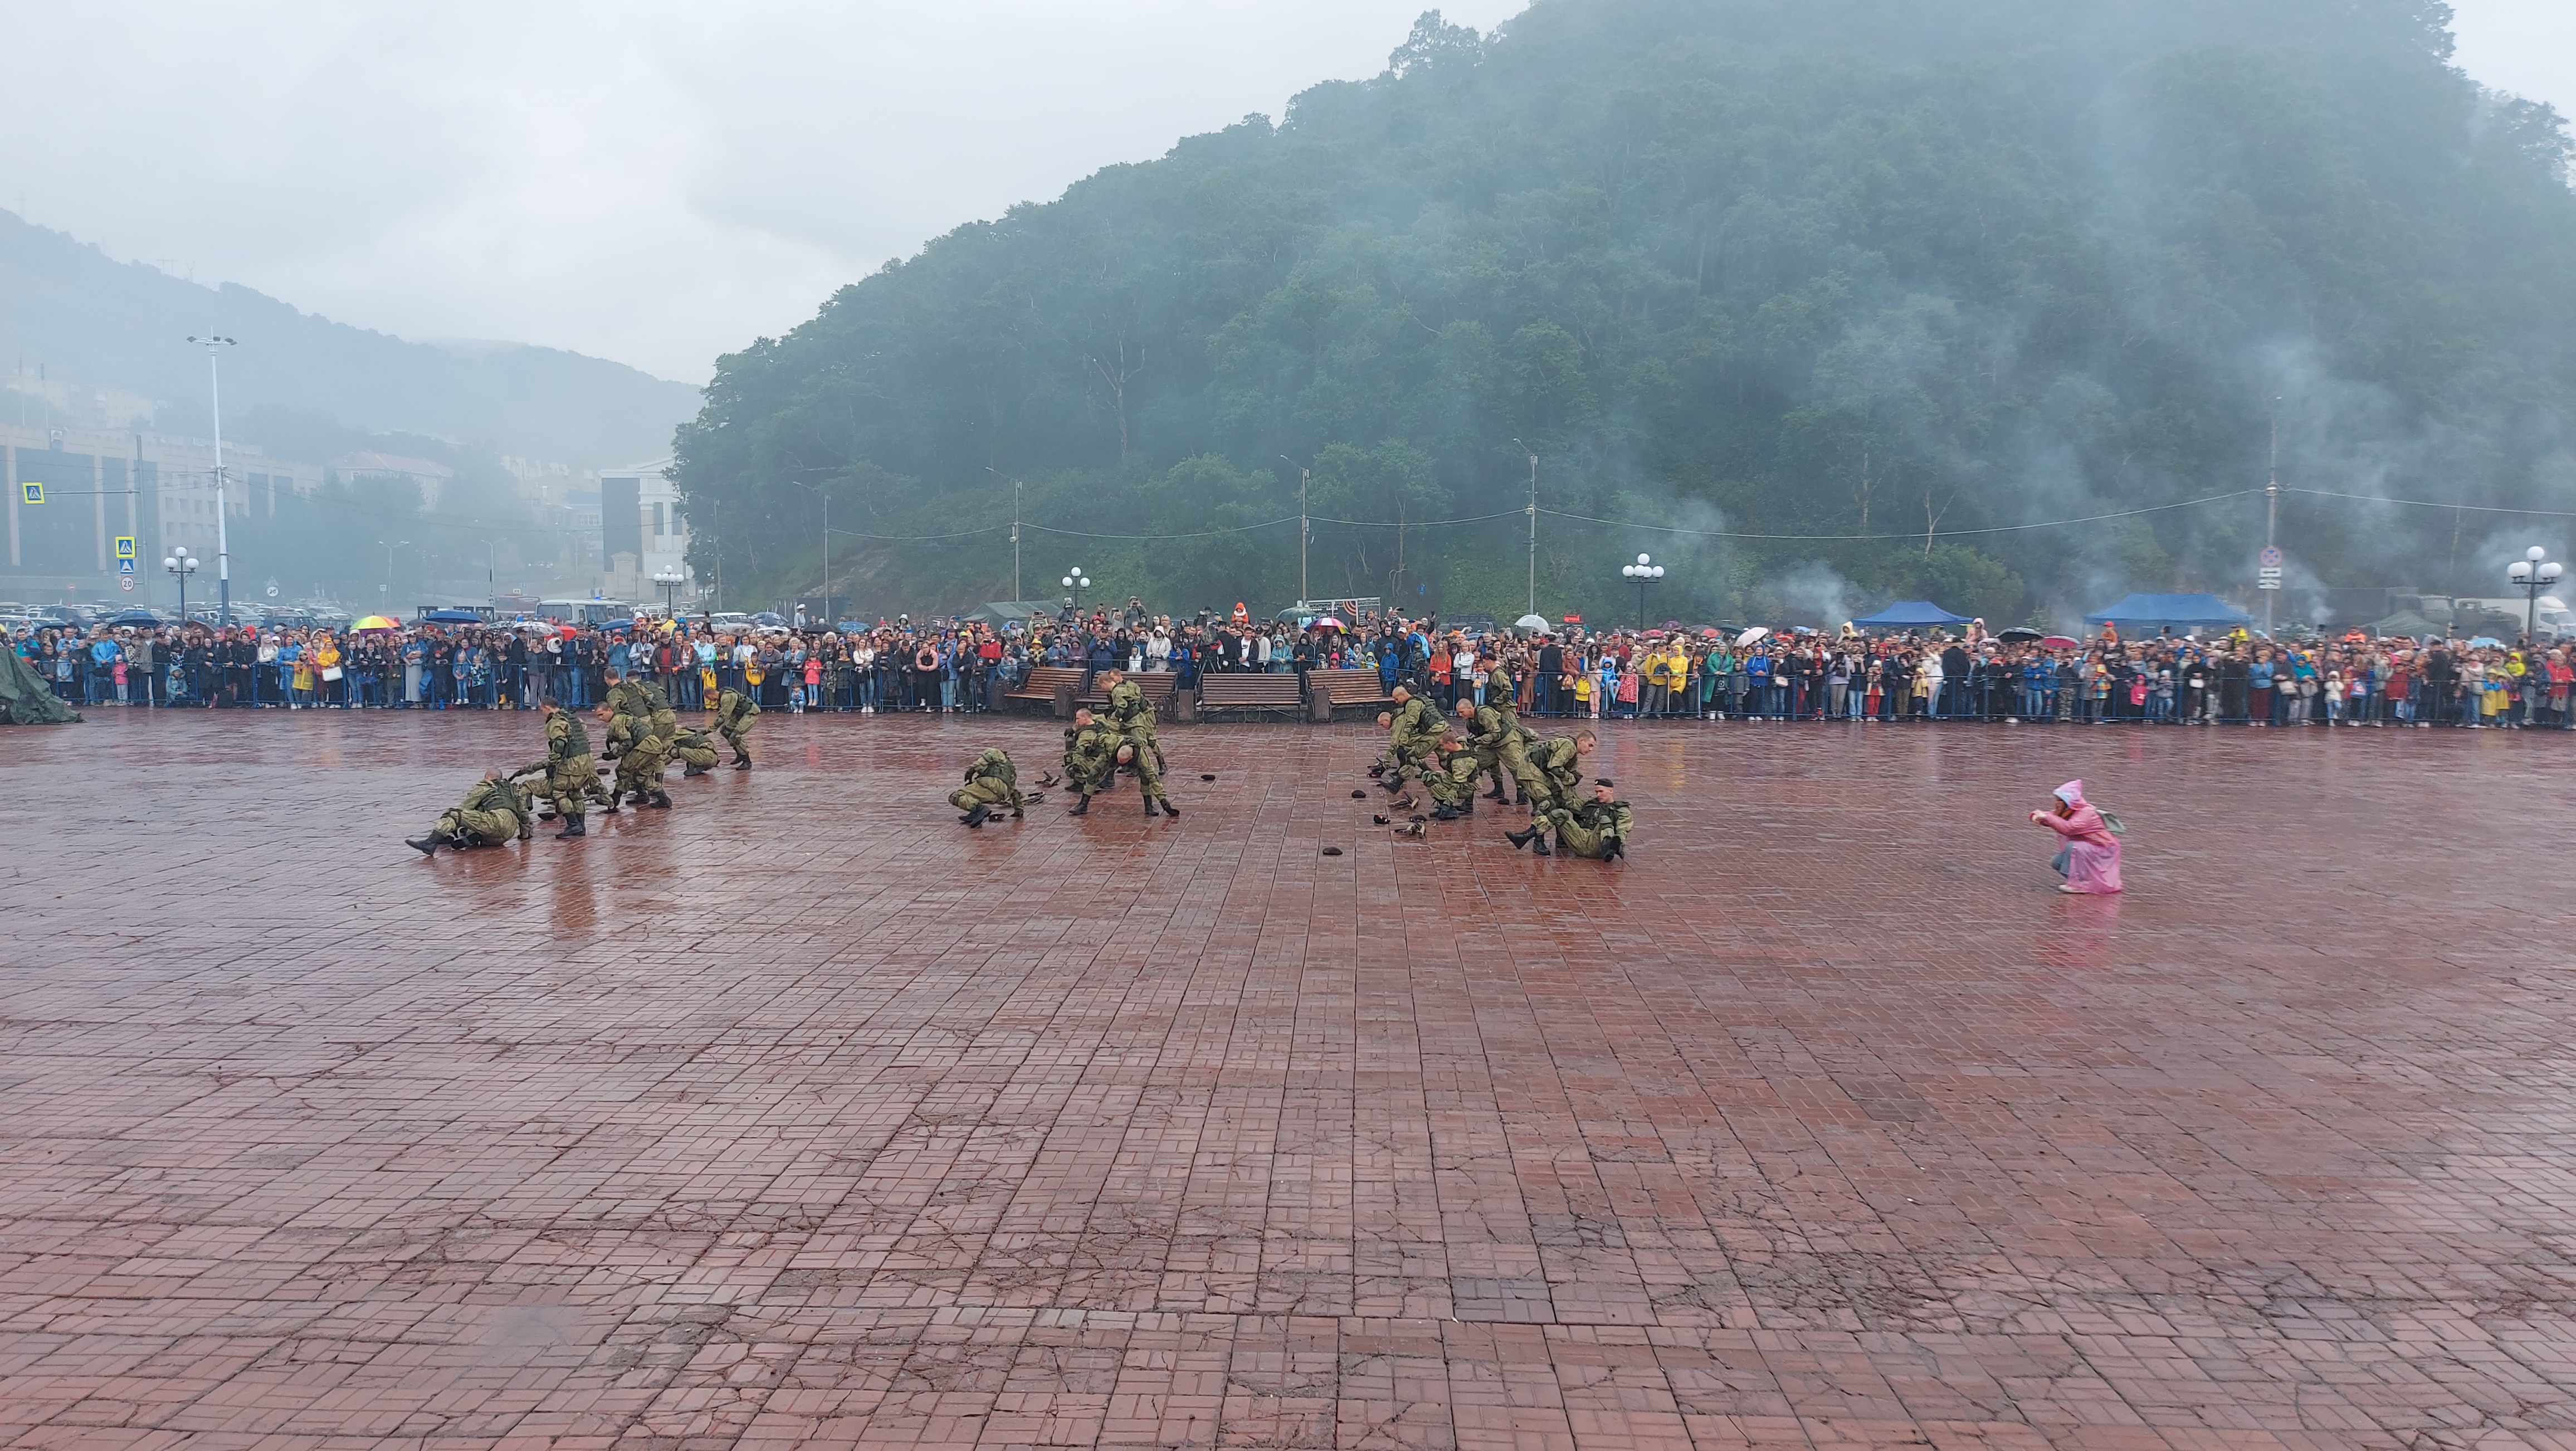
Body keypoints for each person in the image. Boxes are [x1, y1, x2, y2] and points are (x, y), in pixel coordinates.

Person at [516, 697, 612, 838]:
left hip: (572, 762)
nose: (542, 712)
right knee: (575, 792)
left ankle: (573, 825)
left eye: (542, 709)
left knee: (560, 792)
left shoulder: (556, 722)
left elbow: (560, 743)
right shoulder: (573, 718)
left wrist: (553, 762)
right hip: (586, 761)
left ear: (547, 708)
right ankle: (581, 826)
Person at [407, 770, 533, 855]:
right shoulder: (514, 789)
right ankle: (471, 837)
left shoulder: (485, 786)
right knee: (480, 822)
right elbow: (524, 813)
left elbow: (465, 808)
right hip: (507, 834)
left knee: (455, 814)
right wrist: (525, 835)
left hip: (495, 822)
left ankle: (430, 843)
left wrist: (453, 825)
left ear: (487, 777)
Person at [2031, 778, 2121, 894]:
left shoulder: (2086, 813)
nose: (2056, 803)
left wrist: (2047, 818)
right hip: (2090, 848)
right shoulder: (2069, 811)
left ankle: (2080, 885)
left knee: (2073, 847)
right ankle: (2086, 882)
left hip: (2103, 848)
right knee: (2057, 862)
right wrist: (2037, 816)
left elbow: (2069, 828)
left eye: (2060, 800)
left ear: (2068, 801)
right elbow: (2052, 816)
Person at [1510, 777, 1631, 859]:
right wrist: (1568, 783)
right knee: (1561, 813)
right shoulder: (1591, 803)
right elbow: (1570, 803)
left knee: (1605, 820)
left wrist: (1619, 843)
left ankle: (1609, 847)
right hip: (1579, 839)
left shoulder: (1621, 810)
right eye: (1596, 792)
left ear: (1611, 791)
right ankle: (1525, 836)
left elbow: (1623, 830)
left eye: (1601, 792)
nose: (1598, 795)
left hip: (1598, 847)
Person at [949, 747, 1029, 827]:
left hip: (989, 785)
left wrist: (973, 770)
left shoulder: (995, 752)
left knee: (955, 796)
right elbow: (1014, 792)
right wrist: (1019, 810)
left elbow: (979, 764)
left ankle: (979, 810)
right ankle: (975, 813)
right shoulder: (1011, 770)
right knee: (972, 796)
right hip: (999, 796)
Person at [1422, 729, 1484, 820]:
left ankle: (1450, 810)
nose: (1442, 748)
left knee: (1432, 782)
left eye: (1443, 745)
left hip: (1466, 786)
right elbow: (1464, 739)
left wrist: (1447, 803)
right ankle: (1447, 806)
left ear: (1450, 744)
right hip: (1459, 778)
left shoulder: (1461, 762)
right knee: (1428, 775)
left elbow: (1456, 786)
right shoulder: (1461, 744)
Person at [711, 684, 759, 768]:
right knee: (725, 731)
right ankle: (740, 754)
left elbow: (724, 716)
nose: (710, 701)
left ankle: (747, 761)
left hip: (750, 713)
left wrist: (709, 729)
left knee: (735, 736)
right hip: (740, 715)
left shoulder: (726, 697)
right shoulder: (722, 696)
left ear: (710, 695)